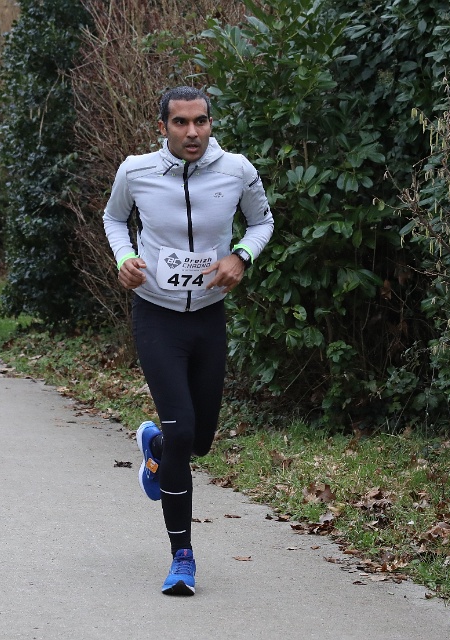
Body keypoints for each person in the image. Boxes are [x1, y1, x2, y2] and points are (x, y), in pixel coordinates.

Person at [103, 86, 274, 596]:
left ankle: (155, 446)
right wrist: (124, 259)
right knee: (183, 433)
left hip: (207, 316)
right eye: (181, 122)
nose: (192, 132)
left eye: (201, 121)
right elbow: (114, 218)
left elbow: (262, 222)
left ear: (211, 123)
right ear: (163, 127)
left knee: (198, 441)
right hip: (156, 315)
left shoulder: (236, 170)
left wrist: (240, 256)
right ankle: (182, 556)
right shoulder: (136, 171)